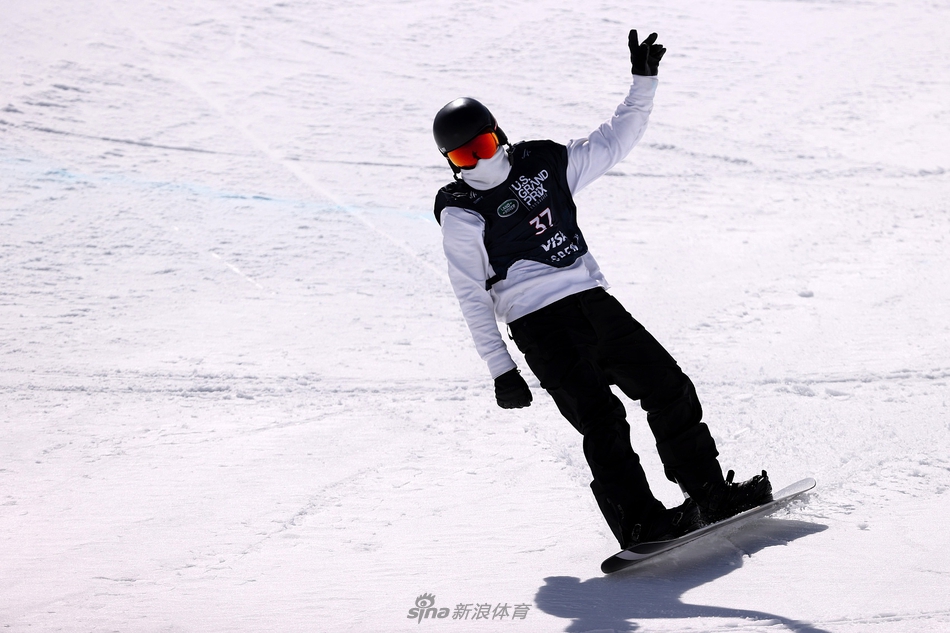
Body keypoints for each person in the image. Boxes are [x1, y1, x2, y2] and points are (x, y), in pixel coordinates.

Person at [431, 30, 772, 550]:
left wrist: (643, 82)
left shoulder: (543, 164)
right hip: (537, 325)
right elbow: (471, 294)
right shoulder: (460, 210)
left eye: (480, 147)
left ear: (498, 135)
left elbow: (615, 140)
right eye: (462, 158)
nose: (476, 164)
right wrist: (502, 368)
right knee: (603, 422)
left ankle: (709, 494)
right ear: (451, 163)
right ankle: (641, 524)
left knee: (668, 387)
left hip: (592, 303)